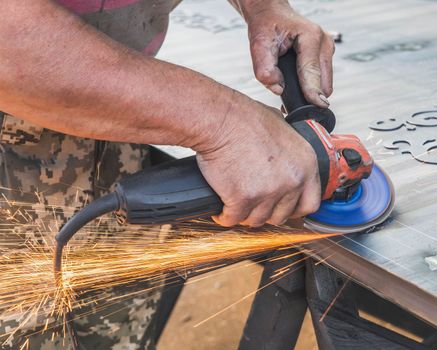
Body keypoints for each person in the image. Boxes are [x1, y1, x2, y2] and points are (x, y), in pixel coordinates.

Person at [0, 0, 335, 348]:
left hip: (121, 112)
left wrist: (264, 8)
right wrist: (225, 122)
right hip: (15, 116)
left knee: (117, 318)